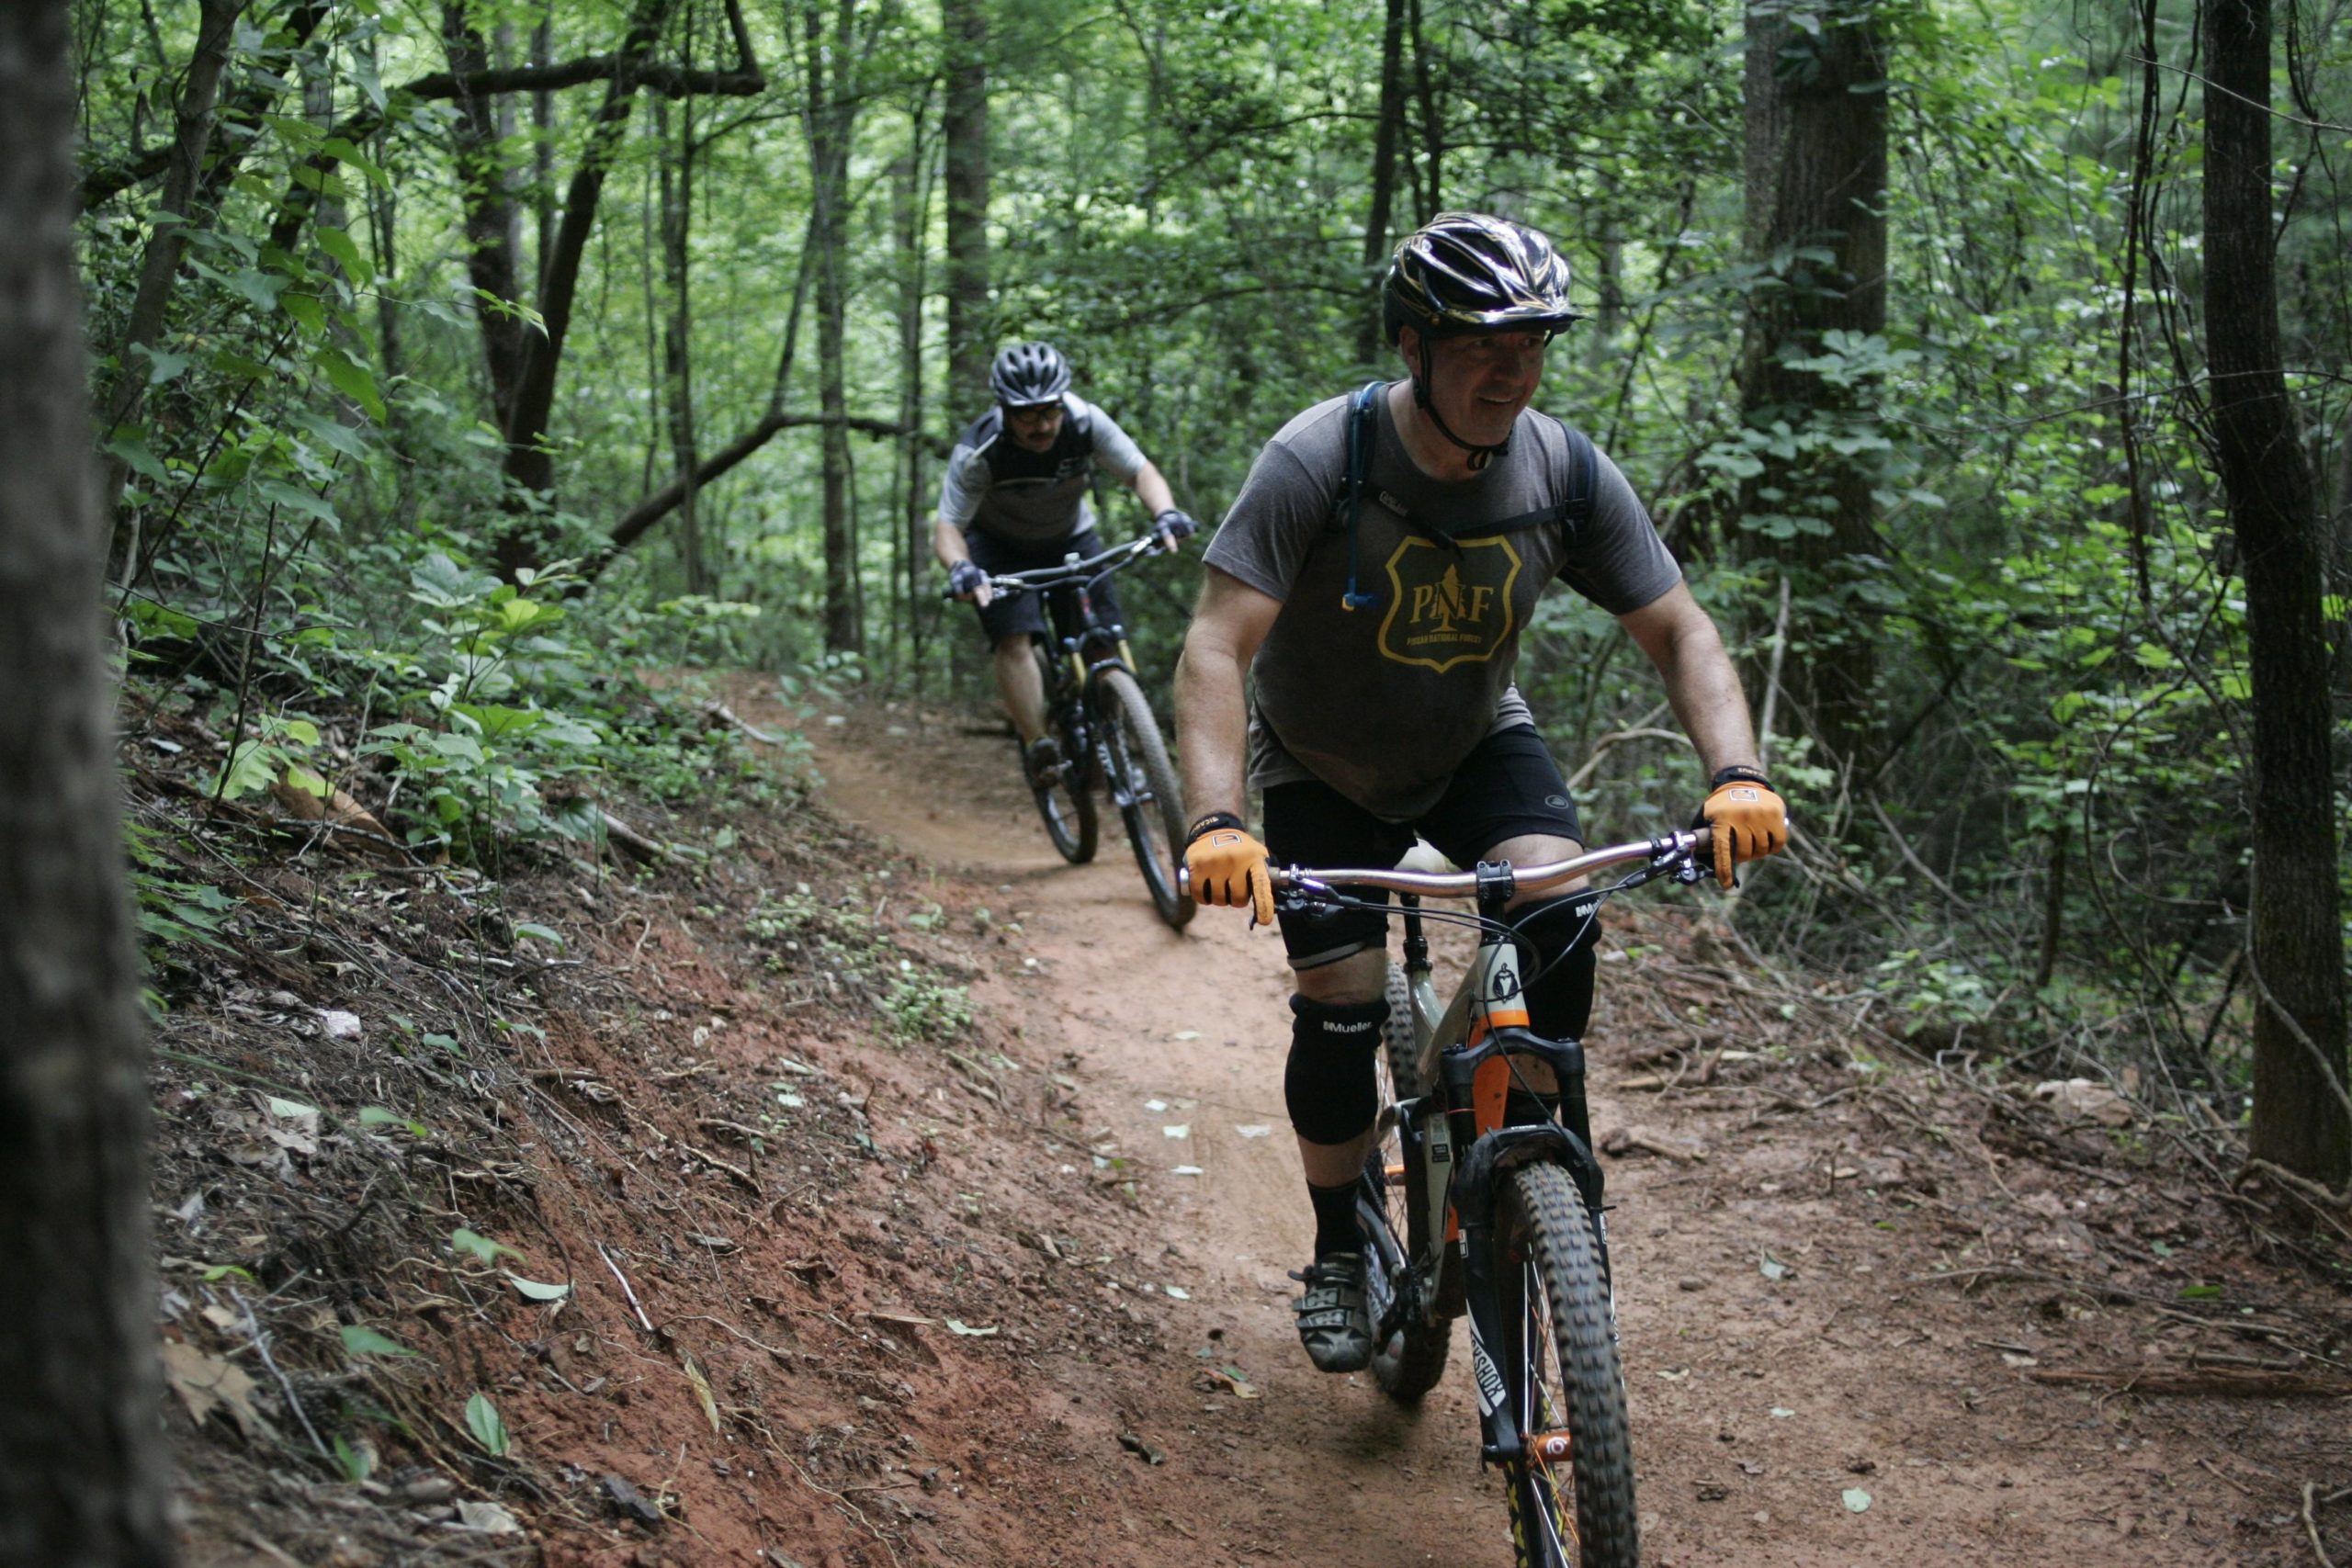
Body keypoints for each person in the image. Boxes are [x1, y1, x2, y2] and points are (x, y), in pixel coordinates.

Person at [1172, 213, 1789, 1373]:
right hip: (1322, 763)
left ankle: (1541, 1181)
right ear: (1413, 346)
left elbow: (1678, 627)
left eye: (1532, 345)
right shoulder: (1320, 459)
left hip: (1472, 744)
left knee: (1559, 913)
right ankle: (1337, 1255)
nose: (1512, 372)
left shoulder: (1561, 470)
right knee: (1339, 1003)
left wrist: (1736, 774)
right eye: (1480, 346)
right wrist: (1216, 822)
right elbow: (1216, 645)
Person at [935, 342, 1196, 785]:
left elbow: (1139, 471)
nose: (1043, 424)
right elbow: (947, 527)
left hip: (1071, 537)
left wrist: (1166, 513)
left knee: (1104, 641)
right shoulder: (980, 451)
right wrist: (961, 567)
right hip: (999, 548)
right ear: (1004, 410)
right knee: (1014, 638)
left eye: (1050, 410)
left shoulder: (1083, 421)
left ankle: (1108, 737)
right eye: (1028, 414)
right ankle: (1039, 744)